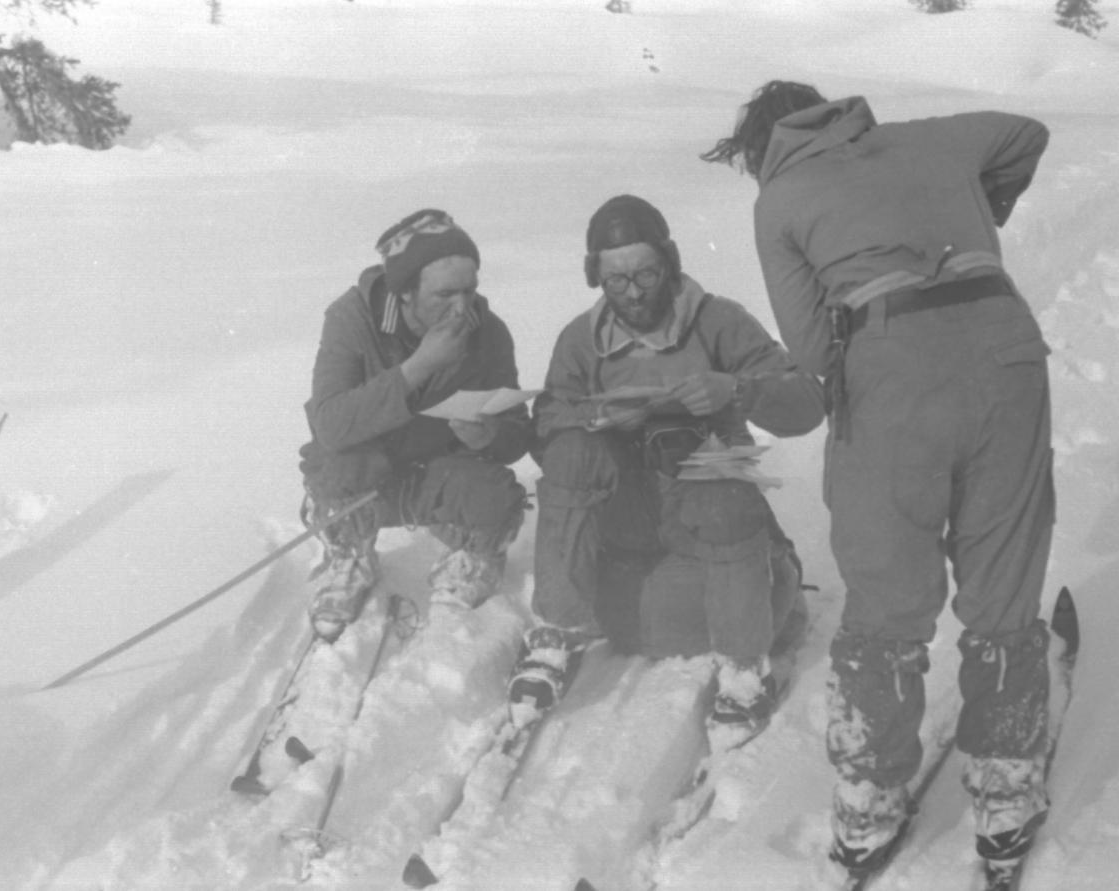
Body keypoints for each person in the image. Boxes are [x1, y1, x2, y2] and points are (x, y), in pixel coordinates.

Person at [702, 81, 1054, 876]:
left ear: (760, 149)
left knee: (888, 592)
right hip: (1005, 343)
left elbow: (813, 350)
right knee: (1003, 570)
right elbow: (1025, 133)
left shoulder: (781, 194)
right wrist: (971, 222)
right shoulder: (930, 135)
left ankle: (869, 799)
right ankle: (1006, 786)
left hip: (890, 358)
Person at [507, 194, 825, 751]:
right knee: (575, 451)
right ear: (595, 277)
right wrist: (596, 419)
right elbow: (551, 430)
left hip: (707, 525)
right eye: (616, 280)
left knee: (716, 477)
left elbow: (806, 404)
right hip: (629, 526)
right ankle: (557, 633)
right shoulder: (580, 342)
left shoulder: (719, 322)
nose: (633, 292)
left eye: (646, 273)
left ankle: (744, 665)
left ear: (670, 263)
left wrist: (738, 390)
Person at [298, 209, 532, 642]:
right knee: (334, 462)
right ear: (404, 292)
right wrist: (417, 369)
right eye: (445, 294)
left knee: (497, 496)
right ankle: (350, 552)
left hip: (436, 472)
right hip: (369, 475)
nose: (462, 308)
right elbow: (329, 422)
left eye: (470, 290)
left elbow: (517, 428)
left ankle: (472, 557)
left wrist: (491, 435)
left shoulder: (488, 331)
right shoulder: (352, 318)